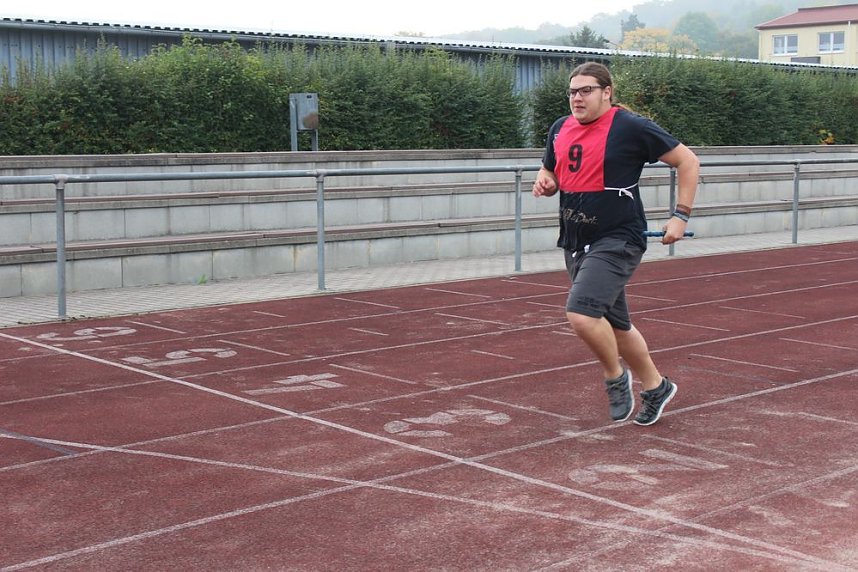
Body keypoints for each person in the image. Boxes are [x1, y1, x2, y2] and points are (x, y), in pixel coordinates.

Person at [532, 61, 699, 426]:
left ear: (607, 92)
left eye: (586, 90)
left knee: (581, 313)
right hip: (576, 239)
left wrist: (680, 214)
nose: (577, 97)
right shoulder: (560, 128)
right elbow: (551, 170)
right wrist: (545, 181)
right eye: (573, 91)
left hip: (618, 238)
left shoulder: (630, 126)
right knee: (617, 326)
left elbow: (687, 161)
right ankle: (656, 388)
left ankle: (614, 377)